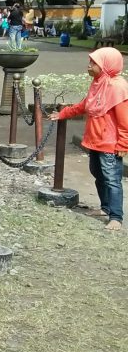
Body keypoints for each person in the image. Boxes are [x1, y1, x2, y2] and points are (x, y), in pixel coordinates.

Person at [49, 47, 126, 231]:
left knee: (112, 179)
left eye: (94, 63)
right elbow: (85, 105)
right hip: (95, 140)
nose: (89, 66)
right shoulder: (98, 83)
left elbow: (125, 120)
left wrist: (124, 143)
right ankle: (104, 208)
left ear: (106, 65)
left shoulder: (118, 87)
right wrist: (63, 113)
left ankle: (116, 217)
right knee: (97, 174)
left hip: (110, 144)